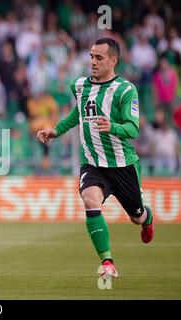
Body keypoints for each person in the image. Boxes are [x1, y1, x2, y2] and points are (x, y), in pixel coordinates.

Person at [37, 38, 154, 281]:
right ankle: (108, 262)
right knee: (91, 201)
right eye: (91, 56)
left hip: (122, 165)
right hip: (92, 162)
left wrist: (112, 126)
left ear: (113, 60)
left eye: (99, 58)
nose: (93, 61)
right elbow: (77, 113)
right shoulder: (80, 85)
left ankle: (147, 218)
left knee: (136, 216)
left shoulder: (125, 90)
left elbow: (133, 129)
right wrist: (56, 130)